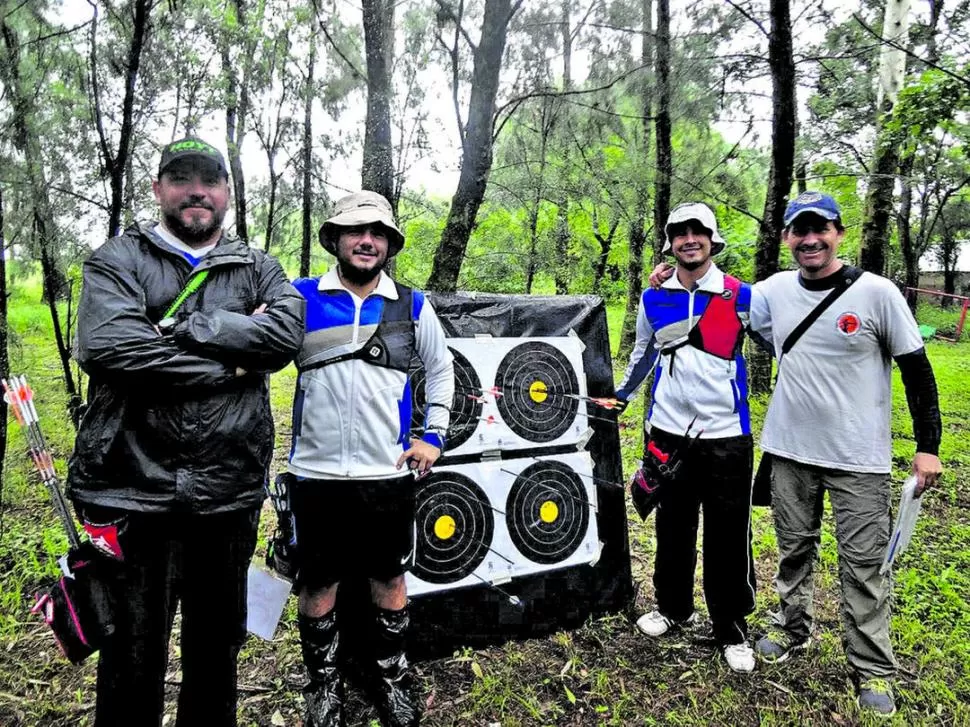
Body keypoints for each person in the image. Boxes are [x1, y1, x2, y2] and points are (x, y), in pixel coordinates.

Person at [68, 136, 305, 726]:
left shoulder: (259, 267)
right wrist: (234, 356)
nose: (197, 191)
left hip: (228, 495)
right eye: (182, 178)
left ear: (227, 192)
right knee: (130, 656)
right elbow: (111, 348)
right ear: (157, 189)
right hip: (131, 491)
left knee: (217, 652)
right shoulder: (117, 260)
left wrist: (185, 327)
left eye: (210, 179)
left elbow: (284, 337)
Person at [747, 191, 942, 717]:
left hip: (860, 457)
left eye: (821, 228)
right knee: (793, 548)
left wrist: (928, 448)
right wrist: (665, 277)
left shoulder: (878, 294)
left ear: (838, 232)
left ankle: (872, 668)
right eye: (799, 230)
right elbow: (718, 294)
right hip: (789, 449)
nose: (810, 239)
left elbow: (918, 374)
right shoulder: (769, 292)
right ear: (787, 237)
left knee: (863, 566)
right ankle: (793, 629)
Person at [287, 190, 454, 727]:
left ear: (390, 244)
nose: (367, 241)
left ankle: (391, 678)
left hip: (387, 473)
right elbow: (253, 357)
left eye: (378, 233)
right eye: (356, 231)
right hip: (314, 474)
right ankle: (323, 687)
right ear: (335, 239)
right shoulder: (300, 297)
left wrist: (435, 435)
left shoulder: (411, 304)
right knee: (317, 583)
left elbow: (442, 369)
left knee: (389, 579)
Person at [615, 202, 758, 673]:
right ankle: (673, 608)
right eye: (680, 233)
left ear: (713, 241)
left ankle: (731, 627)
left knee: (728, 532)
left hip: (726, 436)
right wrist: (622, 397)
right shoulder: (654, 296)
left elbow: (780, 344)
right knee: (672, 525)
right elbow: (642, 353)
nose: (689, 240)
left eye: (698, 232)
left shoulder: (740, 295)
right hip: (668, 433)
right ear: (670, 243)